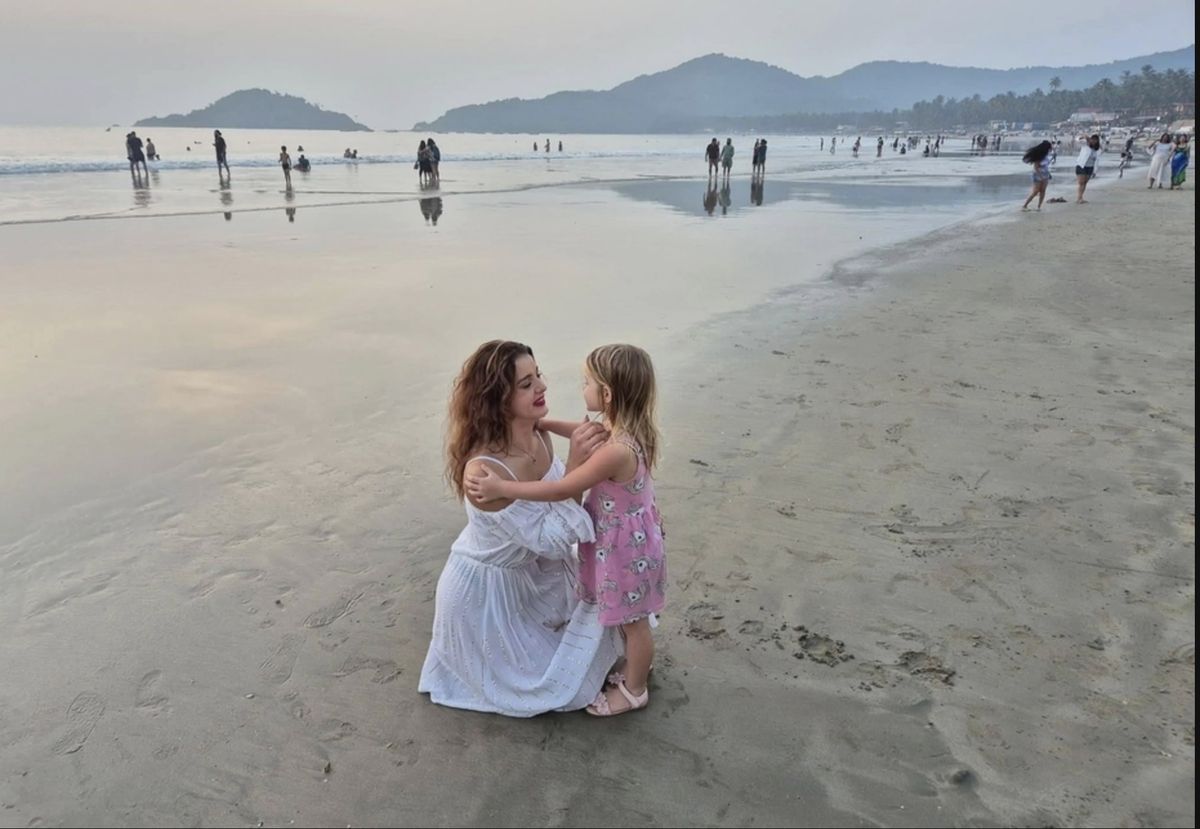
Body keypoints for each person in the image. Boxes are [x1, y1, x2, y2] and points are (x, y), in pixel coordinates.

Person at [419, 341, 621, 716]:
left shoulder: (537, 432)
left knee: (613, 624)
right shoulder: (484, 472)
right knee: (558, 684)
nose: (542, 387)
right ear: (498, 399)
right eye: (526, 384)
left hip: (535, 573)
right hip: (489, 592)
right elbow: (552, 540)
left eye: (537, 375)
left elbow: (554, 514)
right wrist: (576, 465)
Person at [467, 344, 665, 717]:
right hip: (633, 544)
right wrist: (544, 424)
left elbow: (562, 489)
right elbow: (580, 432)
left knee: (633, 623)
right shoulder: (625, 431)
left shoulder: (614, 452)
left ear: (607, 395)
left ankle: (635, 689)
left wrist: (504, 487)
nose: (581, 388)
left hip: (623, 551)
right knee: (630, 617)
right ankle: (635, 667)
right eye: (527, 383)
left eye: (587, 382)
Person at [1021, 140, 1054, 211]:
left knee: (1043, 191)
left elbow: (1046, 167)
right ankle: (1025, 205)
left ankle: (1039, 206)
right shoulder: (1039, 156)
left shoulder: (1045, 156)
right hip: (1037, 175)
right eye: (1049, 147)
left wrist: (1049, 174)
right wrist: (1041, 177)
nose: (1050, 149)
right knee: (1035, 191)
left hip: (1045, 174)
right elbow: (1036, 167)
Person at [1074, 134, 1101, 204]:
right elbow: (1077, 139)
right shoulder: (1085, 144)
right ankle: (1079, 198)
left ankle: (1081, 197)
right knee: (1081, 182)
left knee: (1085, 182)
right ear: (1090, 139)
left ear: (1097, 141)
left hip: (1090, 167)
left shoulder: (1097, 149)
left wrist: (1095, 171)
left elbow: (1097, 160)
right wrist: (1083, 136)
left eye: (1096, 140)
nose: (1094, 141)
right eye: (1093, 139)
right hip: (1081, 165)